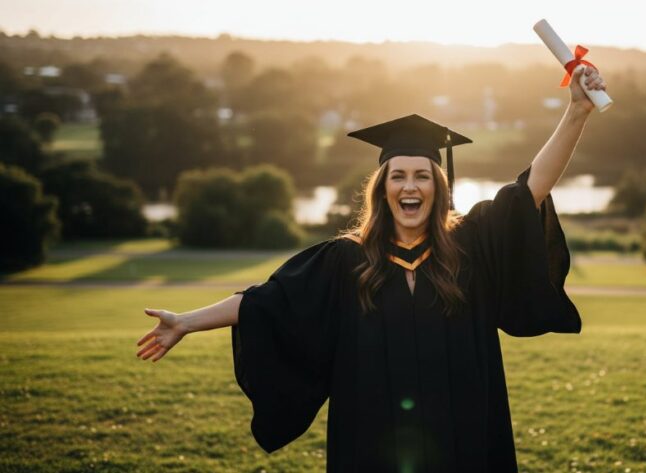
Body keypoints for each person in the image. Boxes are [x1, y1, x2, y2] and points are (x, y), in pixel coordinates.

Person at [136, 66, 606, 472]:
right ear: (381, 188)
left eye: (422, 175)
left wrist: (577, 112)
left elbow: (529, 190)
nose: (410, 186)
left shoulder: (472, 244)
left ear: (438, 187)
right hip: (371, 447)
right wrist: (187, 322)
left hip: (463, 442)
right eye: (398, 175)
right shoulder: (344, 260)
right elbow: (266, 301)